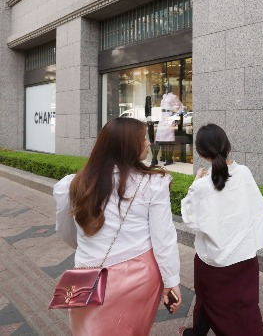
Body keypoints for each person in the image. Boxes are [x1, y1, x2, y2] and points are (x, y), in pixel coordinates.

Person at [53, 117, 182, 336]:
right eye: (143, 139)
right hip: (138, 277)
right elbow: (163, 238)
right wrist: (171, 281)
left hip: (84, 275)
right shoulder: (153, 183)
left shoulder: (74, 183)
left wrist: (89, 247)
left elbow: (66, 233)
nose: (149, 143)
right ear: (126, 145)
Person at [179, 124, 263, 336]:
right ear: (227, 145)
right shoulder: (244, 172)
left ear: (200, 153)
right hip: (245, 257)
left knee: (209, 302)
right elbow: (259, 208)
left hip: (214, 261)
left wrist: (195, 183)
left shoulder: (201, 186)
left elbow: (189, 217)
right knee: (245, 307)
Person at [154, 84, 184, 166]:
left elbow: (181, 108)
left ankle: (169, 159)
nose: (166, 89)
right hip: (162, 118)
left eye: (168, 87)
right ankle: (154, 159)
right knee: (158, 139)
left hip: (169, 118)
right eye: (166, 87)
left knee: (169, 140)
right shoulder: (164, 96)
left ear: (171, 88)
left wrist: (174, 115)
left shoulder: (174, 97)